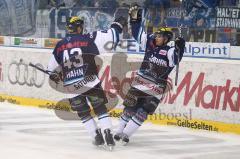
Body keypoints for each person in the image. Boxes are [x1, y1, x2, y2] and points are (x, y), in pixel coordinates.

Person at [47, 16, 127, 149]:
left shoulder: (60, 45)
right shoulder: (89, 38)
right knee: (100, 109)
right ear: (79, 28)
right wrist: (117, 25)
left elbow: (51, 70)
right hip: (90, 81)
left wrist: (56, 75)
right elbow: (112, 36)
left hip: (72, 86)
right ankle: (108, 134)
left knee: (84, 113)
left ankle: (97, 137)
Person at [114, 5, 186, 144]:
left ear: (166, 39)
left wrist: (180, 47)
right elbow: (137, 33)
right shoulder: (149, 44)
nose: (157, 37)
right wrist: (135, 21)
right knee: (129, 108)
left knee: (143, 111)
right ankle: (118, 132)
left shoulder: (170, 51)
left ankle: (126, 134)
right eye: (157, 35)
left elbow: (176, 60)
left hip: (156, 87)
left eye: (160, 36)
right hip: (140, 83)